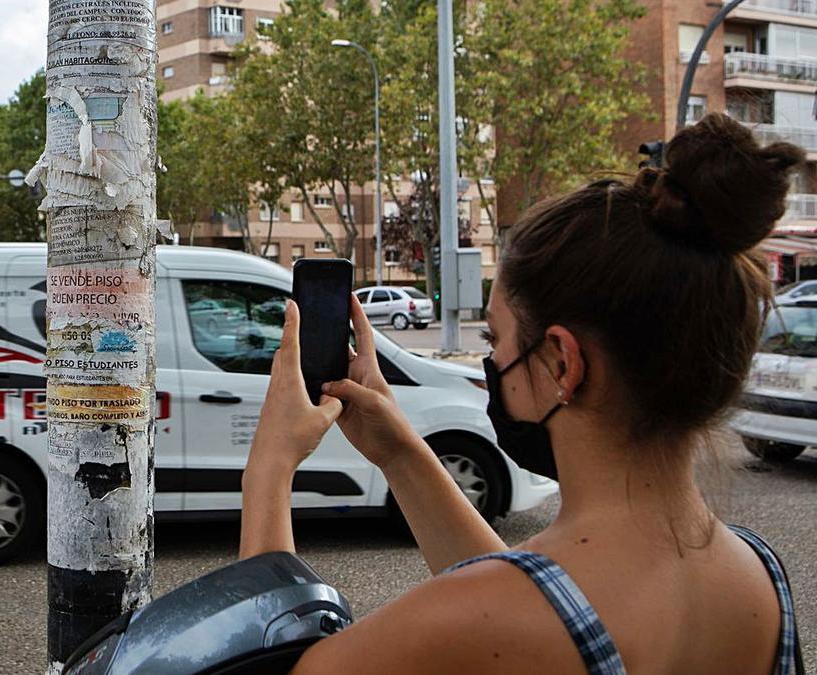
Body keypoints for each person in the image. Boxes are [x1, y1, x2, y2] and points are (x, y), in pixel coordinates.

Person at [240, 114, 803, 674]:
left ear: (562, 361)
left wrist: (269, 469)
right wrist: (397, 450)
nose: (493, 363)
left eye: (497, 337)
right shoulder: (761, 581)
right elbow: (539, 598)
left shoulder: (476, 618)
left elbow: (513, 606)